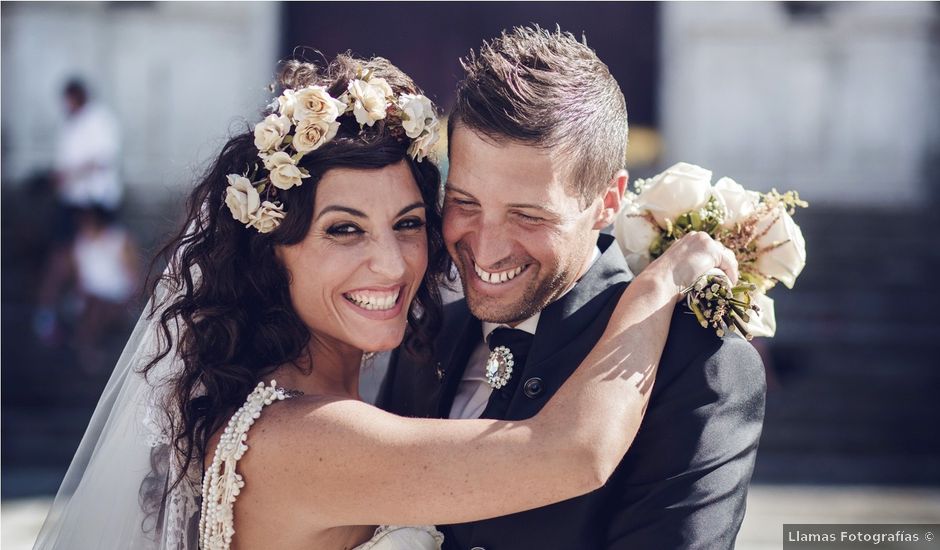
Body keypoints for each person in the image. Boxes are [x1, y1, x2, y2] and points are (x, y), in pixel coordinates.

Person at [34, 53, 737, 550]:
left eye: (408, 224)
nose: (392, 261)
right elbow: (569, 455)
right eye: (343, 230)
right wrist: (657, 284)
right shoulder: (302, 437)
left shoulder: (385, 375)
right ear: (270, 250)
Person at [380, 26, 767, 549]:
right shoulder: (427, 338)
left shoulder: (697, 362)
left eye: (528, 215)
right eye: (465, 203)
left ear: (609, 201)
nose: (486, 249)